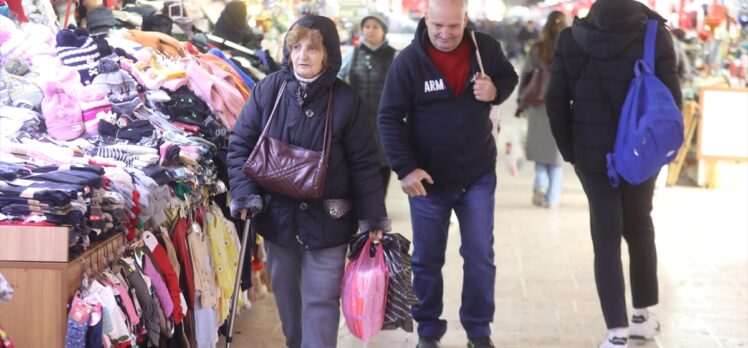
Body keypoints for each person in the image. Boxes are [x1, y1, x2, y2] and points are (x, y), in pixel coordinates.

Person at [227, 15, 390, 348]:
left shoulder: (346, 100)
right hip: (278, 218)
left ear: (327, 53)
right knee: (287, 303)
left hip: (328, 218)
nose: (302, 55)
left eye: (312, 49)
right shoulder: (269, 89)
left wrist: (373, 216)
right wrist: (244, 194)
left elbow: (364, 164)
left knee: (320, 302)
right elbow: (240, 143)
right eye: (296, 47)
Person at [377, 0, 518, 346]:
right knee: (426, 260)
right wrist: (405, 169)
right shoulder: (409, 62)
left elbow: (509, 76)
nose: (445, 33)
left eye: (453, 26)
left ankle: (479, 331)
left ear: (465, 20)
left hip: (478, 176)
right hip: (429, 182)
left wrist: (496, 91)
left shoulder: (485, 48)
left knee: (480, 256)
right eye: (438, 25)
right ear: (427, 19)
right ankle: (427, 331)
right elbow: (388, 117)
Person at [545, 1, 681, 347]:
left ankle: (616, 332)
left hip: (592, 155)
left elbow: (556, 101)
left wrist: (572, 152)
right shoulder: (655, 36)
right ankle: (641, 316)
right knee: (639, 226)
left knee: (605, 237)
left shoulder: (570, 39)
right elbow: (671, 100)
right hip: (641, 151)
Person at [338, 13, 397, 195]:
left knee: (383, 160)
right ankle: (360, 201)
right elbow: (338, 76)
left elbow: (403, 85)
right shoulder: (354, 53)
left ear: (383, 31)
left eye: (375, 27)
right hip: (358, 119)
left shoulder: (393, 55)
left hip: (385, 119)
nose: (370, 30)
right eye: (367, 26)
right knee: (357, 158)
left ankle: (380, 201)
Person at [515, 11, 567, 208]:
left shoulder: (537, 49)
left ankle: (541, 184)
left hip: (538, 105)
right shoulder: (571, 48)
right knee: (555, 156)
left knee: (540, 151)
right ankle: (552, 198)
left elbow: (526, 75)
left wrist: (521, 102)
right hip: (562, 106)